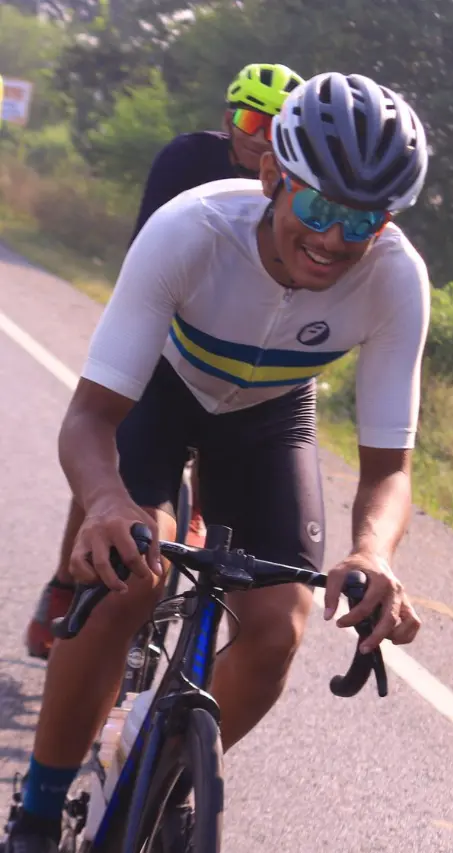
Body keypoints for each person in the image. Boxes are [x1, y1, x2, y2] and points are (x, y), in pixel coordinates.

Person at [7, 70, 430, 853]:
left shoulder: (396, 277)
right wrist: (106, 502)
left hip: (270, 416)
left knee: (278, 628)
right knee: (129, 575)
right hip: (163, 395)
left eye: (363, 218)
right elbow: (91, 418)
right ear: (272, 175)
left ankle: (164, 772)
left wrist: (373, 550)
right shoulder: (191, 229)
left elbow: (388, 468)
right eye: (319, 205)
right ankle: (35, 813)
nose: (336, 238)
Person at [24, 61, 305, 660]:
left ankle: (200, 510)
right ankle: (64, 581)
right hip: (163, 315)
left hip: (234, 349)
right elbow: (144, 257)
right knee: (113, 450)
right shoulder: (186, 160)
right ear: (228, 118)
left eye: (277, 125)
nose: (261, 134)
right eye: (250, 118)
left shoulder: (295, 193)